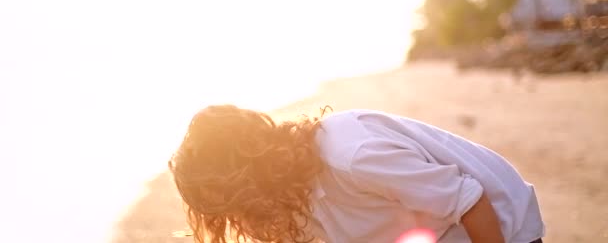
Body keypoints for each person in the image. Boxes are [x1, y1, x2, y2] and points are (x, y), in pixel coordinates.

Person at [168, 105, 545, 243]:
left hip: (501, 227)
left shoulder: (352, 156)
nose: (241, 222)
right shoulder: (291, 195)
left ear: (247, 179)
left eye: (235, 209)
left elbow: (472, 202)